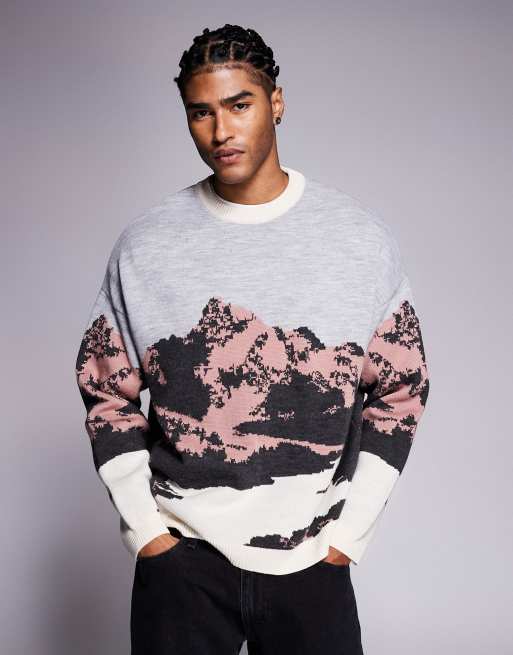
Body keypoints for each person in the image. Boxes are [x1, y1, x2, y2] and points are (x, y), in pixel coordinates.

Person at [75, 23, 430, 655]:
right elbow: (106, 391)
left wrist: (348, 536)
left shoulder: (357, 239)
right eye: (201, 112)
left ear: (277, 103)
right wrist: (148, 533)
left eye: (240, 105)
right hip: (180, 563)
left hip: (314, 561)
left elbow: (402, 389)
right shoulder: (146, 244)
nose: (220, 131)